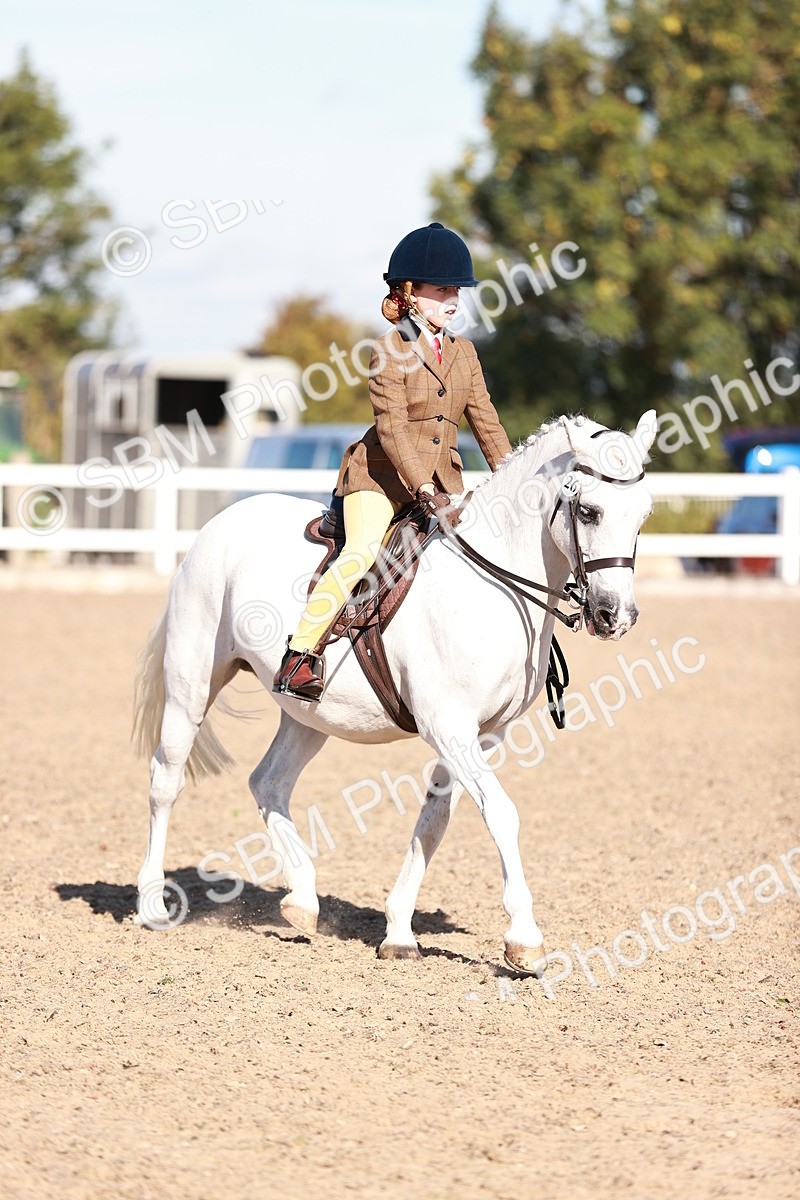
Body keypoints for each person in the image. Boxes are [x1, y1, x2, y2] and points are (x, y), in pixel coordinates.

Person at [273, 221, 513, 701]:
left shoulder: (464, 353)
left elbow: (485, 420)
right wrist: (423, 486)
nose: (452, 299)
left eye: (456, 291)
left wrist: (513, 475)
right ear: (409, 293)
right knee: (361, 551)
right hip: (379, 479)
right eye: (442, 289)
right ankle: (300, 656)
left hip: (443, 482)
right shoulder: (389, 350)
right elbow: (393, 428)